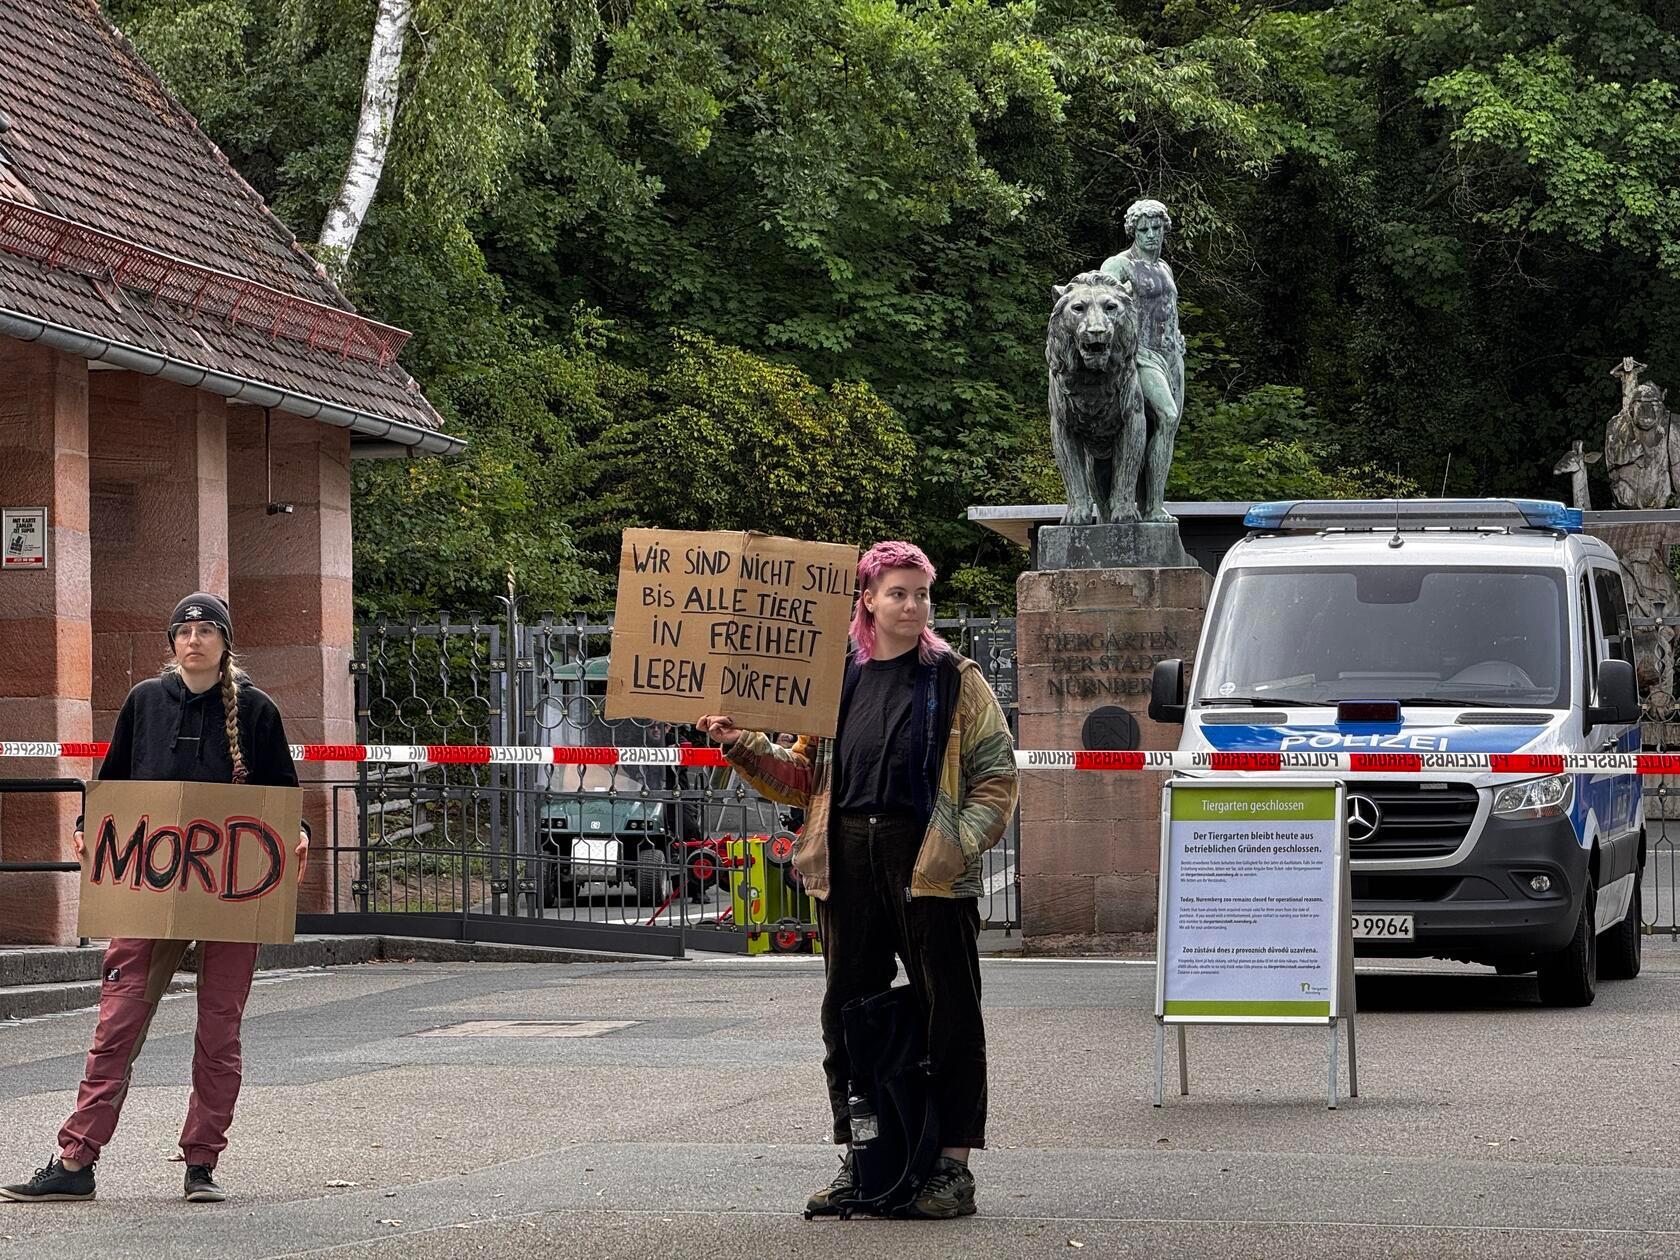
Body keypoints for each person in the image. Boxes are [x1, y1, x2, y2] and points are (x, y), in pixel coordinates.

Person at [697, 541, 1017, 1220]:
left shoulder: (957, 680)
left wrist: (954, 850)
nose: (912, 605)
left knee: (949, 1015)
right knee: (848, 1017)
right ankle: (861, 1159)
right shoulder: (837, 679)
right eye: (898, 592)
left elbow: (996, 777)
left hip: (927, 862)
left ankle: (952, 1170)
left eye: (921, 593)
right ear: (867, 600)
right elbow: (803, 775)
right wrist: (740, 741)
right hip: (847, 859)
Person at [0, 593, 309, 1205]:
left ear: (225, 642)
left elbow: (282, 795)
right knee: (117, 1022)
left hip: (228, 893)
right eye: (184, 631)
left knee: (219, 1031)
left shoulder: (257, 710)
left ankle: (202, 1162)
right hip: (147, 885)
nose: (194, 640)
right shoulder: (144, 702)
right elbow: (113, 779)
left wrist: (295, 835)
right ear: (171, 643)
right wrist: (90, 823)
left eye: (206, 631)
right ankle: (75, 1159)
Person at [1100, 197, 1186, 522]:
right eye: (1143, 229)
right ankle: (1141, 502)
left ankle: (1153, 504)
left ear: (1164, 229)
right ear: (1132, 231)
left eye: (1156, 228)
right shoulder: (1118, 265)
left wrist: (1178, 337)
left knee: (1167, 427)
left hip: (1172, 354)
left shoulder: (1164, 267)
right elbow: (1100, 303)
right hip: (1141, 355)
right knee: (1166, 414)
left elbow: (1169, 310)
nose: (1151, 234)